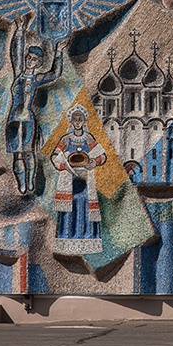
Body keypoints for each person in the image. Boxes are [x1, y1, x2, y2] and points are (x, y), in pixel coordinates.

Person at [6, 14, 65, 194]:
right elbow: (16, 53)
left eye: (34, 60)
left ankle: (30, 181)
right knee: (18, 154)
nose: (30, 61)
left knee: (29, 151)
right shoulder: (18, 74)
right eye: (29, 58)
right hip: (14, 119)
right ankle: (21, 184)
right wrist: (20, 30)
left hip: (28, 119)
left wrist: (59, 52)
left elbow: (55, 73)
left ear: (38, 63)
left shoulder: (37, 78)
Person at [50, 104, 106, 254]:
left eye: (80, 119)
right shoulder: (66, 139)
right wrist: (64, 165)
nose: (77, 122)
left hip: (86, 177)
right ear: (71, 121)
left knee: (85, 205)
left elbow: (102, 156)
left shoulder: (88, 138)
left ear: (84, 121)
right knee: (70, 206)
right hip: (69, 177)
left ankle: (88, 241)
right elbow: (54, 156)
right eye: (75, 119)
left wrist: (95, 162)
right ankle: (66, 241)